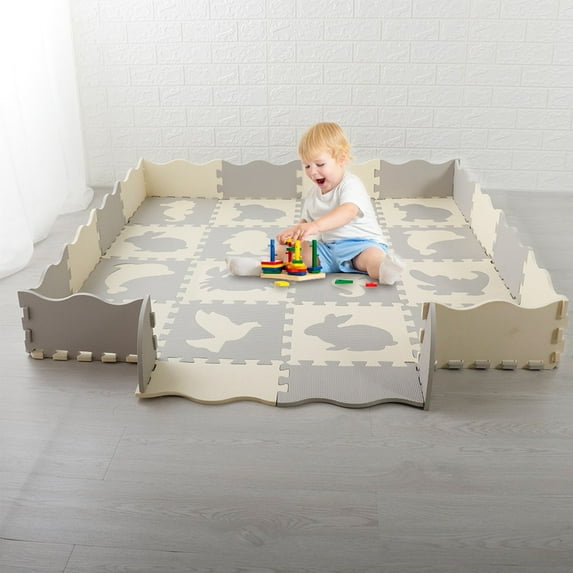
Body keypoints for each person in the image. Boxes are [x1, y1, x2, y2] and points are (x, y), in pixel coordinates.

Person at [227, 122, 403, 284]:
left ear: (341, 159)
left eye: (320, 164)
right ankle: (261, 266)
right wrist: (294, 232)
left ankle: (384, 270)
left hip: (362, 245)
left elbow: (347, 211)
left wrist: (316, 226)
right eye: (307, 166)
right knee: (286, 251)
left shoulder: (350, 184)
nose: (312, 172)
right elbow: (306, 222)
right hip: (327, 250)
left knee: (371, 259)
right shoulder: (313, 194)